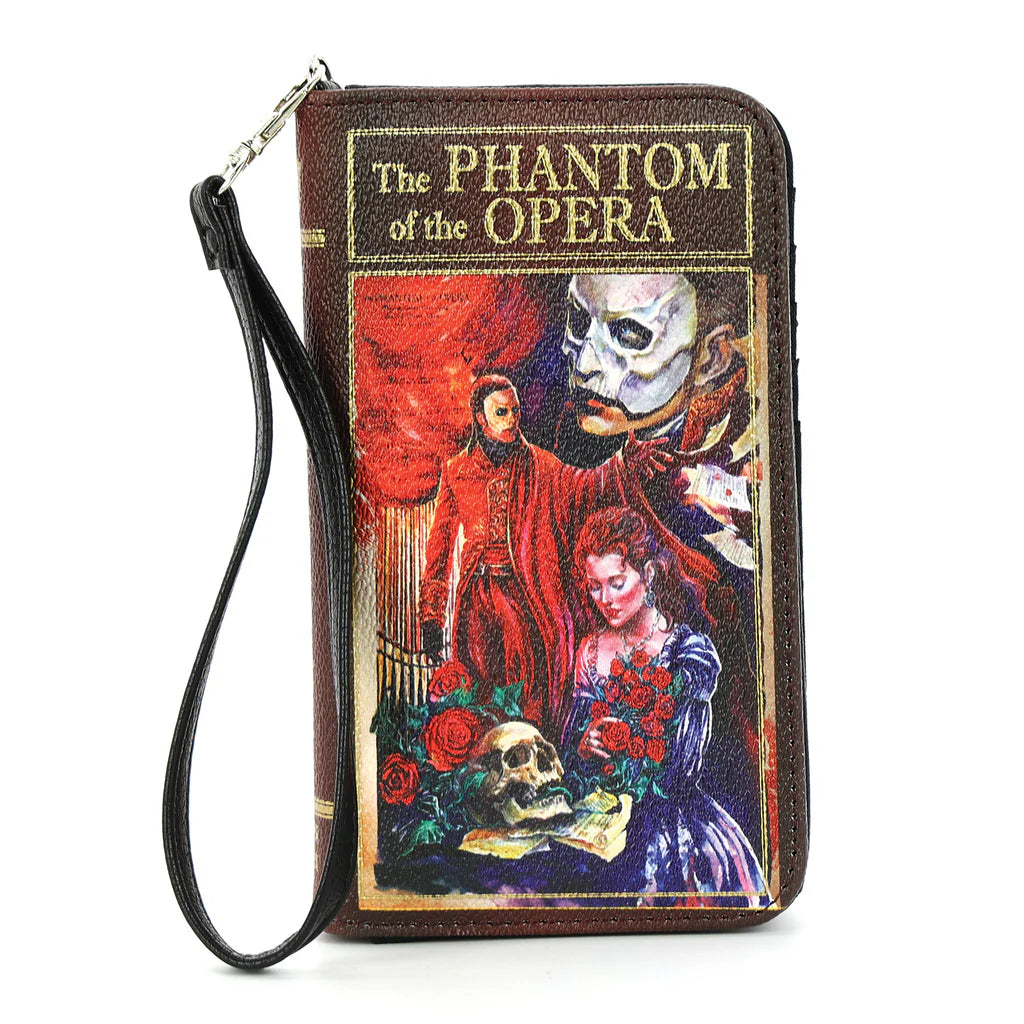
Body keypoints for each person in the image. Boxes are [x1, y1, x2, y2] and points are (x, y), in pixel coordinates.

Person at [419, 374, 717, 738]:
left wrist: (622, 463)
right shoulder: (456, 472)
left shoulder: (539, 464)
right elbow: (439, 550)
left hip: (526, 600)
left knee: (528, 702)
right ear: (480, 418)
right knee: (479, 699)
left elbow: (582, 485)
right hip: (476, 605)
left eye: (515, 411)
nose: (512, 420)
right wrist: (431, 616)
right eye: (501, 413)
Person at [562, 507, 767, 906]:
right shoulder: (589, 651)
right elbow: (572, 747)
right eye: (594, 587)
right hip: (603, 820)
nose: (606, 600)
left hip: (673, 824)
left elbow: (681, 760)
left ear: (649, 574)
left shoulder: (689, 652)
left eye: (617, 583)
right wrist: (586, 745)